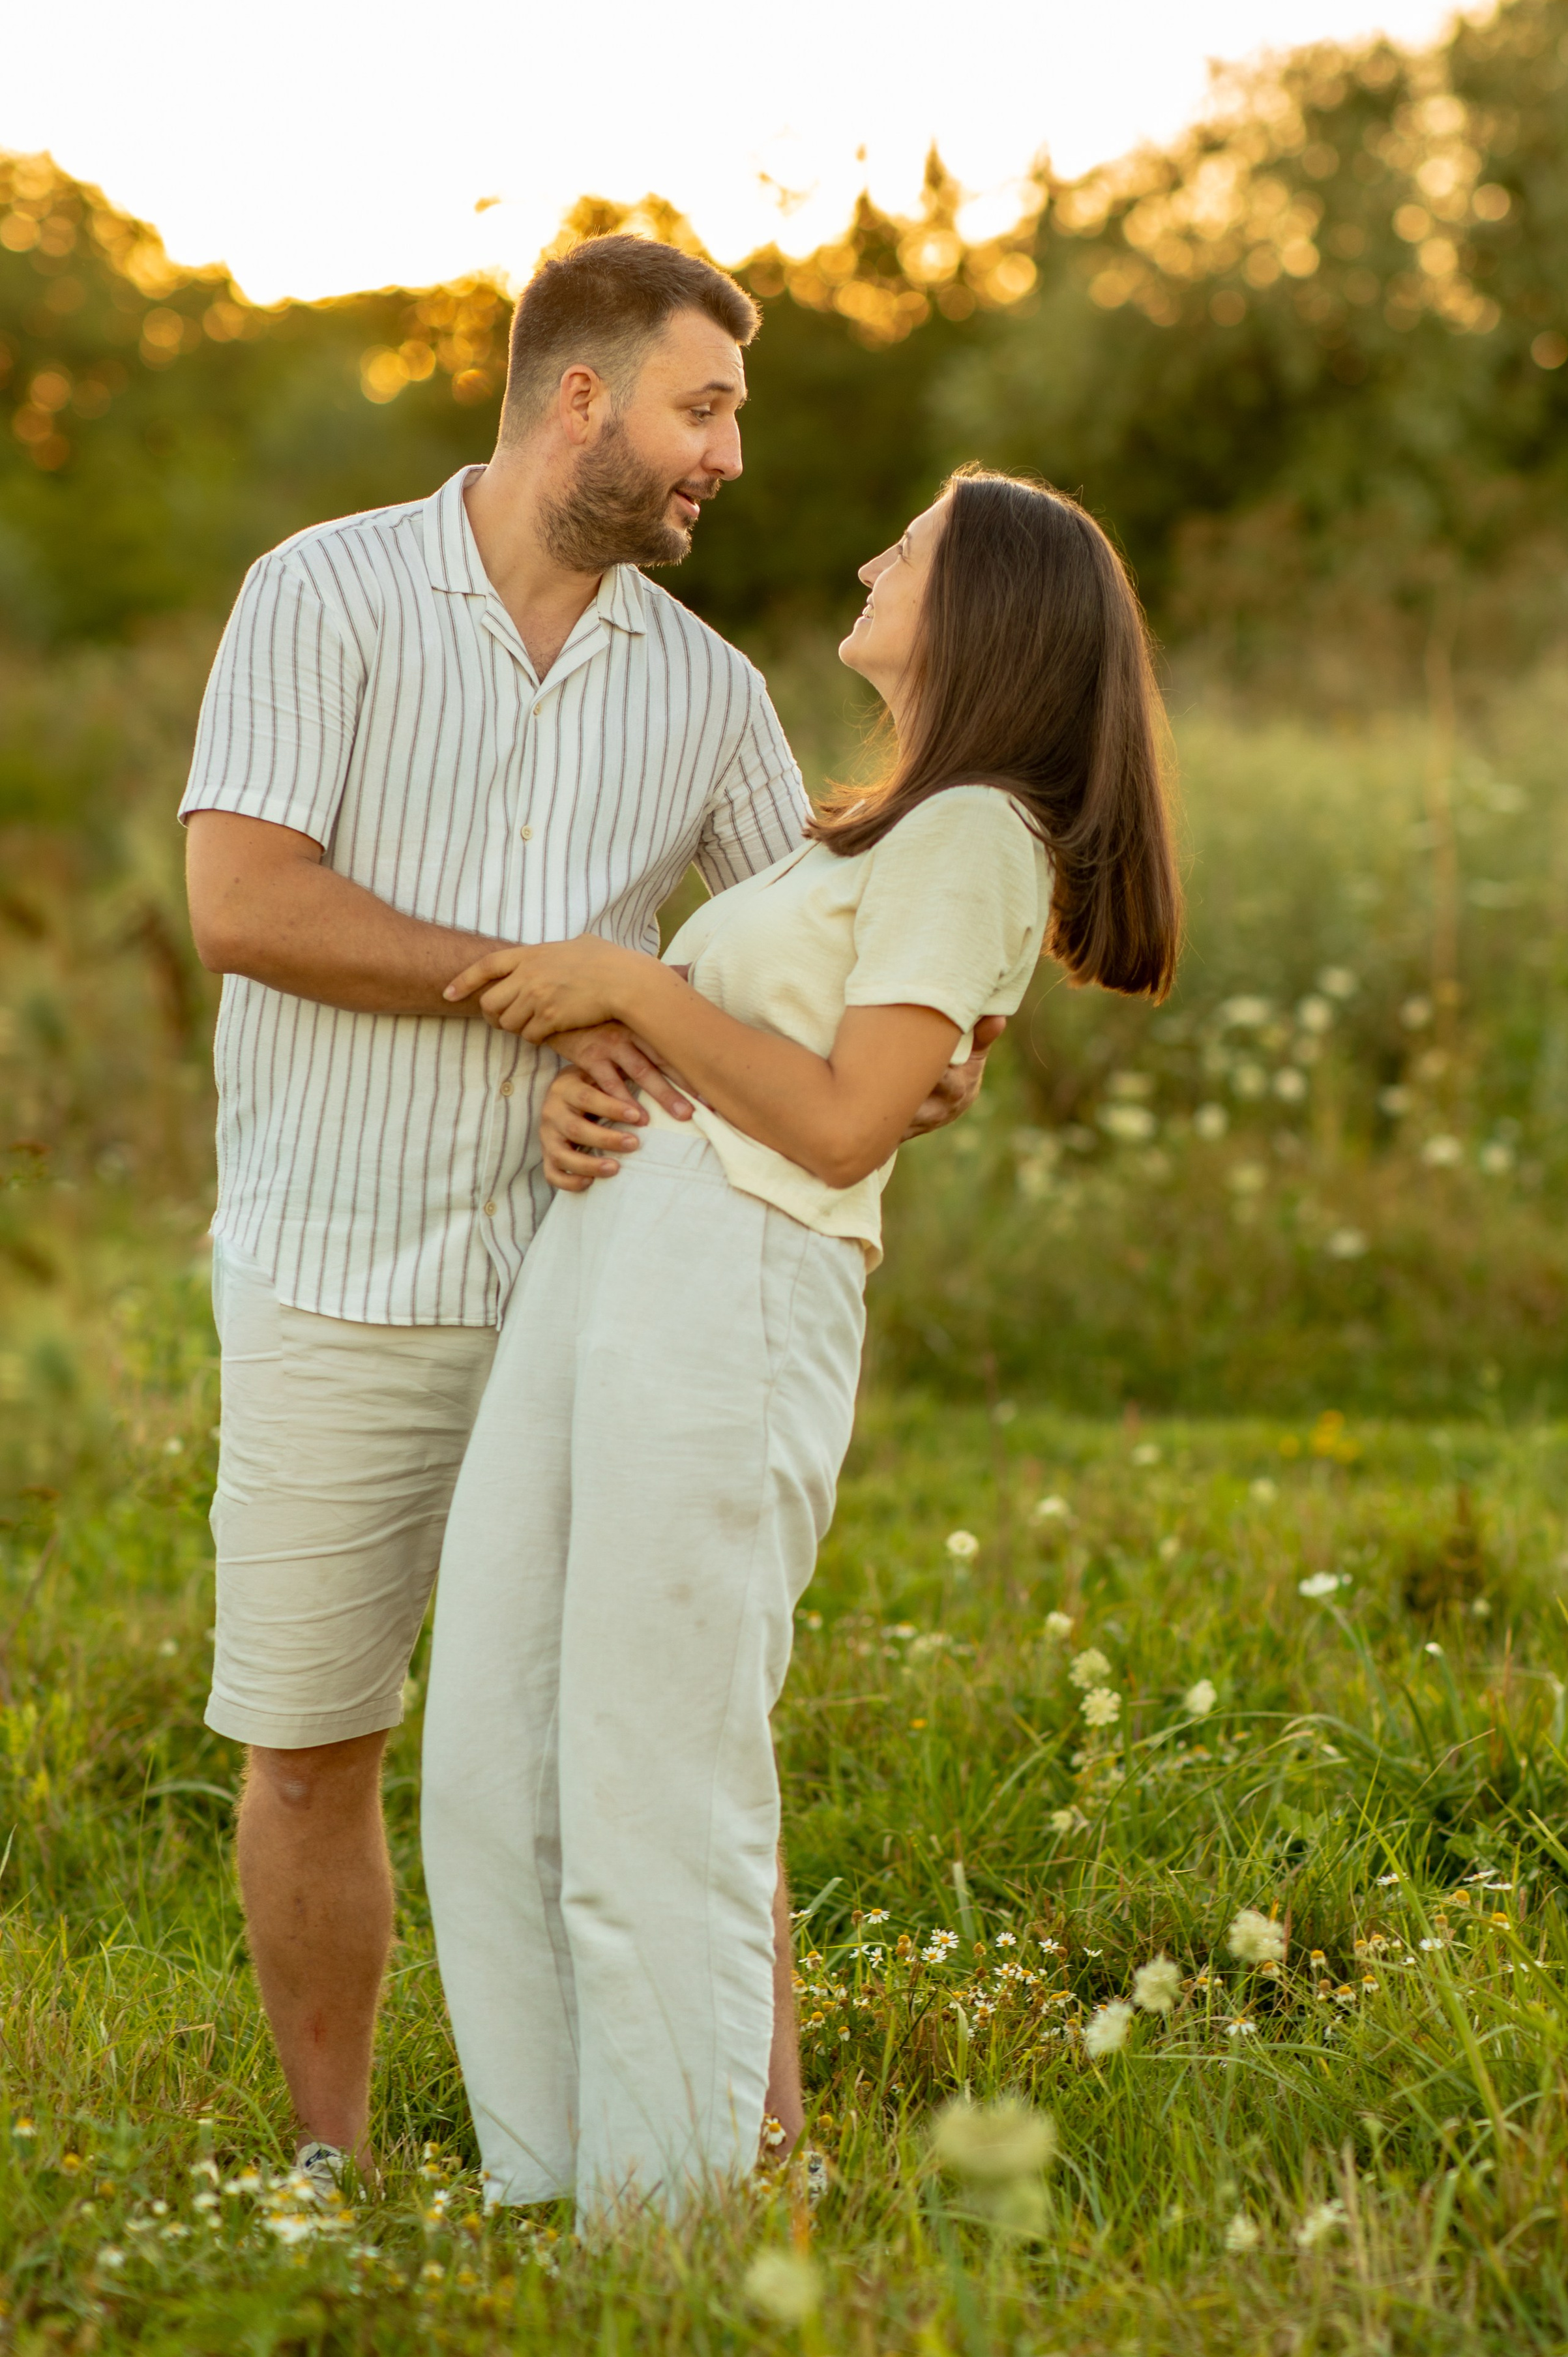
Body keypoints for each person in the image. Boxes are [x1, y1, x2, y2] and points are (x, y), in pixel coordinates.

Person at [179, 234, 995, 2194]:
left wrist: (922, 1043)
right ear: (581, 399)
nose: (726, 453)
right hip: (342, 1271)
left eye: (732, 417)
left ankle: (757, 2157)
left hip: (614, 1278)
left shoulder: (707, 694)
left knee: (677, 1715)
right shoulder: (328, 595)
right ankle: (332, 2165)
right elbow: (246, 902)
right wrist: (550, 981)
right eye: (703, 407)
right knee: (314, 1740)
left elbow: (797, 945)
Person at [421, 466, 1183, 2219]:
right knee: (493, 1733)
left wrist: (632, 992)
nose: (868, 552)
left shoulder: (980, 829)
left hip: (740, 1280)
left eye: (904, 545)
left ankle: (672, 2214)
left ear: (985, 608)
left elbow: (843, 1124)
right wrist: (606, 1090)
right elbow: (761, 1063)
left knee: (653, 1756)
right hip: (621, 1252)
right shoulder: (873, 827)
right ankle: (553, 2181)